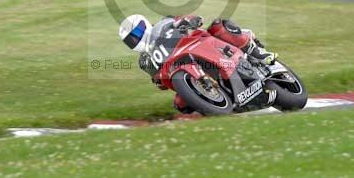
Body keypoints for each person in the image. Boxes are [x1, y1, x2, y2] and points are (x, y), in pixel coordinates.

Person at [118, 14, 277, 108]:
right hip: (182, 68)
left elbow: (187, 19)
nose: (136, 38)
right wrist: (159, 81)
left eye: (137, 31)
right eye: (131, 39)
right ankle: (215, 104)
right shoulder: (144, 61)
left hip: (200, 45)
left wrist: (189, 20)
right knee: (180, 104)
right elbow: (159, 82)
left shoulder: (164, 23)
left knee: (219, 25)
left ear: (144, 22)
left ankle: (257, 52)